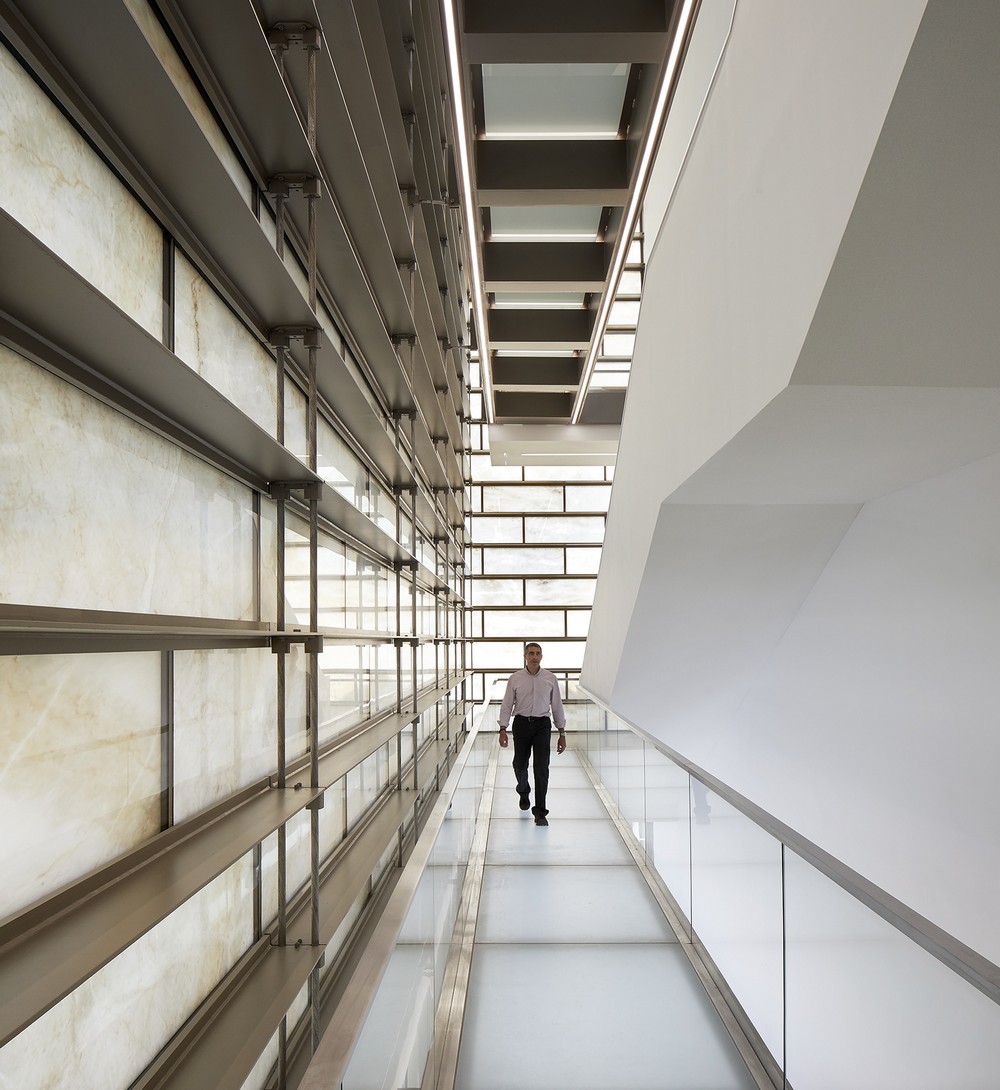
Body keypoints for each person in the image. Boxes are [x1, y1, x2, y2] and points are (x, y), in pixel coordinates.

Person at [498, 642, 567, 826]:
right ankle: (523, 790)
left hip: (542, 725)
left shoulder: (550, 678)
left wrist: (562, 732)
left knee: (542, 768)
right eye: (531, 653)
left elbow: (557, 706)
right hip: (521, 723)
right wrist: (503, 729)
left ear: (541, 657)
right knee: (519, 764)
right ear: (525, 656)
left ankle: (540, 813)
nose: (534, 656)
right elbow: (507, 704)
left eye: (537, 653)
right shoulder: (515, 678)